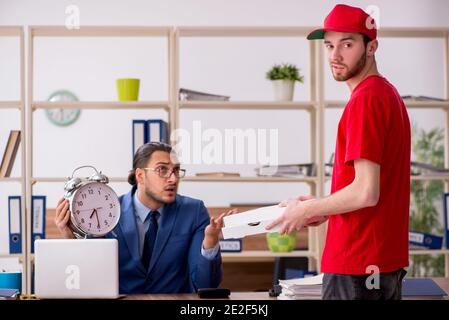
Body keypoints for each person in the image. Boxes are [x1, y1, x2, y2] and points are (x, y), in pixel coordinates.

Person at [267, 4, 410, 300]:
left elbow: (366, 192)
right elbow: (368, 190)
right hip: (380, 263)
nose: (335, 55)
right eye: (329, 45)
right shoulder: (387, 93)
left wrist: (305, 209)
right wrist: (322, 206)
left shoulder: (366, 100)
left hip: (357, 264)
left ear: (371, 47)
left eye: (347, 44)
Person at [55, 142, 236, 294]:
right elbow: (91, 280)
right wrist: (71, 238)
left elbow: (206, 285)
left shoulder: (194, 211)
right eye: (162, 170)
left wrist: (210, 241)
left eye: (176, 170)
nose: (173, 179)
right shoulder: (107, 214)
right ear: (140, 175)